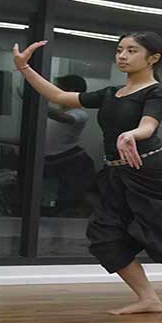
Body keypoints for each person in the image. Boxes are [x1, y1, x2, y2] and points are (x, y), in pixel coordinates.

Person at [13, 32, 162, 315]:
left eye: (131, 51)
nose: (122, 56)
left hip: (152, 171)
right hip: (116, 175)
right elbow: (58, 96)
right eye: (119, 50)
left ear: (152, 58)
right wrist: (24, 67)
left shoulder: (158, 91)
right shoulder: (109, 94)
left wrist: (132, 133)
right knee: (104, 239)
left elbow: (148, 126)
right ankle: (148, 298)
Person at [42, 74, 96, 216]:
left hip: (72, 165)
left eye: (56, 88)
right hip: (53, 165)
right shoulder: (52, 117)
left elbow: (63, 118)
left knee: (70, 203)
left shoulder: (79, 113)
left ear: (69, 90)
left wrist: (38, 103)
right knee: (54, 205)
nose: (52, 91)